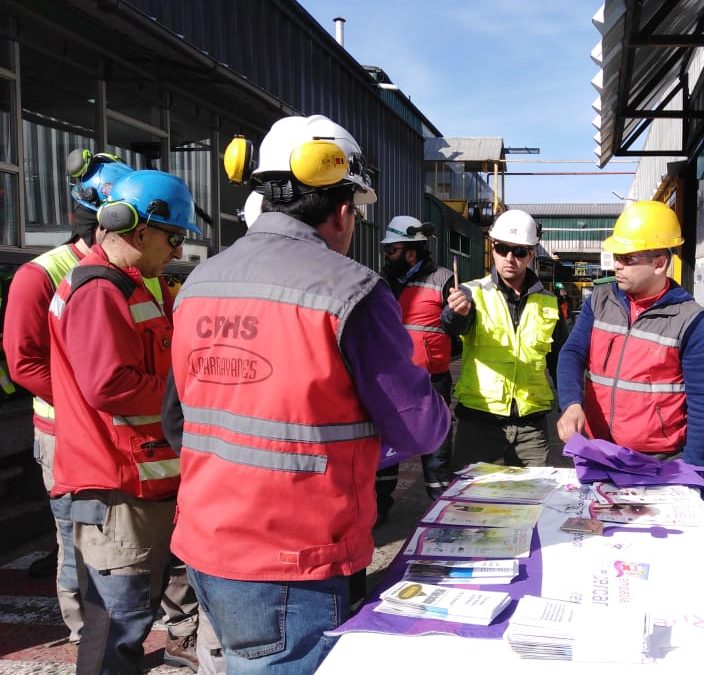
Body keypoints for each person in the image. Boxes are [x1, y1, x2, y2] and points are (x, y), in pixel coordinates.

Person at [162, 114, 450, 674]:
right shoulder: (351, 290)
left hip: (204, 543)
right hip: (296, 562)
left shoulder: (199, 282)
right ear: (342, 210)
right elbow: (419, 426)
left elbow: (180, 415)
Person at [48, 169, 200, 674]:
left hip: (133, 480)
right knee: (117, 627)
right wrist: (191, 397)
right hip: (116, 486)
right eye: (174, 237)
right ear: (140, 233)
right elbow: (109, 385)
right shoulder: (100, 291)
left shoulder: (133, 284)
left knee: (123, 622)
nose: (177, 251)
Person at [2, 150, 131, 646]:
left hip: (120, 429)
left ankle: (123, 630)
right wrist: (87, 403)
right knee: (76, 539)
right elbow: (25, 364)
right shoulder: (41, 275)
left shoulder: (129, 271)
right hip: (67, 435)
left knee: (117, 538)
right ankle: (86, 638)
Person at [556, 200, 704, 466]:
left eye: (627, 258)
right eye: (616, 257)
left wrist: (692, 473)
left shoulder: (690, 321)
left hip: (658, 463)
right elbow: (572, 353)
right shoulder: (599, 301)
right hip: (598, 453)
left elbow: (702, 405)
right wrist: (571, 403)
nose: (617, 265)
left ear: (659, 264)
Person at [443, 209, 567, 469]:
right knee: (469, 505)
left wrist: (569, 406)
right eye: (502, 249)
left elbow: (561, 362)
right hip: (479, 422)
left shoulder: (549, 303)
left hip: (530, 427)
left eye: (520, 251)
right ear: (493, 247)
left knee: (532, 501)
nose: (510, 258)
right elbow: (453, 328)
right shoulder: (471, 293)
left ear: (532, 254)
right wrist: (457, 313)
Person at [374, 215, 455, 525]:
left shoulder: (444, 280)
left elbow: (457, 327)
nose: (386, 256)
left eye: (391, 250)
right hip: (390, 378)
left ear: (411, 251)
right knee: (386, 446)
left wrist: (458, 314)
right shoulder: (381, 283)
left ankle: (441, 510)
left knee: (436, 446)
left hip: (431, 381)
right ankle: (379, 507)